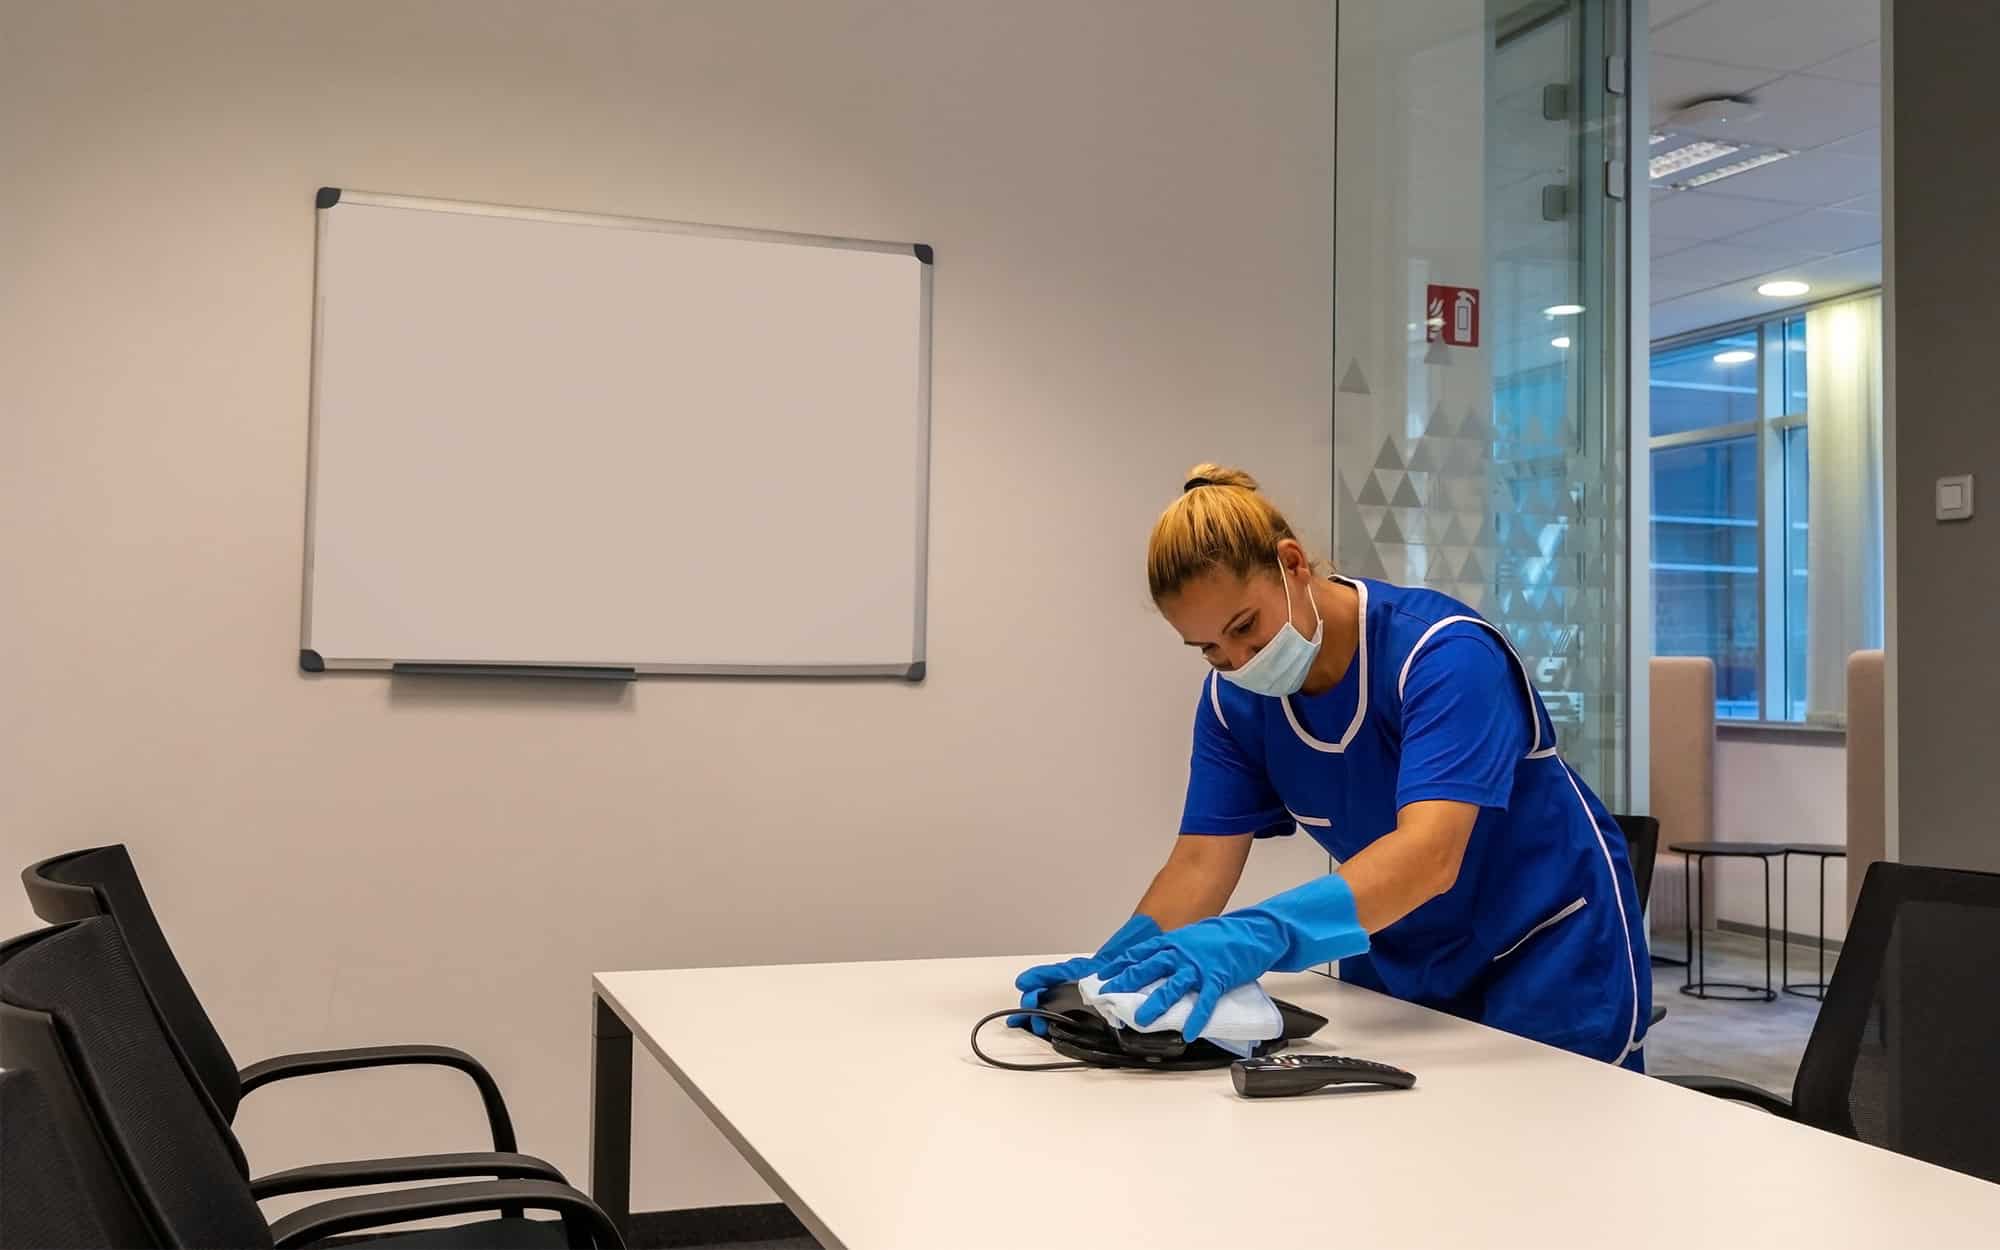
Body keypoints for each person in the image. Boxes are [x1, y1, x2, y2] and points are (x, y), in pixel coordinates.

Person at [1015, 465, 1650, 1069]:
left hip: (1545, 953)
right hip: (1403, 953)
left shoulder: (1442, 655)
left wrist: (1256, 935)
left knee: (1544, 1158)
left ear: (1292, 564)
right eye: (1209, 647)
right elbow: (1201, 862)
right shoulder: (1236, 703)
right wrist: (1112, 976)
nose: (1237, 659)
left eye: (1245, 627)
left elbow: (1430, 854)